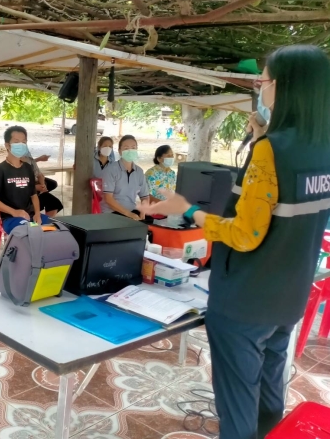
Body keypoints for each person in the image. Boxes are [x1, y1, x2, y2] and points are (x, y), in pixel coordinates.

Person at [140, 45, 330, 439]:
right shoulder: (321, 148)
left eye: (264, 81)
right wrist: (263, 136)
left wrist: (188, 209)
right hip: (289, 295)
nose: (260, 87)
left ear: (284, 87)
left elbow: (245, 235)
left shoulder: (270, 151)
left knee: (238, 402)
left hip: (247, 299)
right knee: (269, 392)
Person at [0, 126, 51, 234]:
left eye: (24, 142)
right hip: (11, 219)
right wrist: (14, 212)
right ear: (7, 145)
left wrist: (37, 214)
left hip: (31, 217)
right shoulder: (0, 170)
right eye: (16, 142)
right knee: (29, 231)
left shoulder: (28, 168)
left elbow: (34, 195)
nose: (21, 145)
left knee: (54, 229)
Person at [101, 135, 151, 222]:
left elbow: (145, 196)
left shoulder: (139, 172)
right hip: (112, 211)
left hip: (131, 209)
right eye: (126, 148)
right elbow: (108, 199)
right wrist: (129, 214)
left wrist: (143, 210)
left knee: (149, 221)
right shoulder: (111, 170)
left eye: (133, 148)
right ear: (120, 151)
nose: (130, 151)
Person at [21, 149, 63, 218]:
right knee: (54, 202)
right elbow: (16, 187)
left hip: (32, 185)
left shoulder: (27, 156)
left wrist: (43, 185)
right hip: (22, 196)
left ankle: (45, 220)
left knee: (52, 187)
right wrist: (35, 187)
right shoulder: (12, 168)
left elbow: (39, 174)